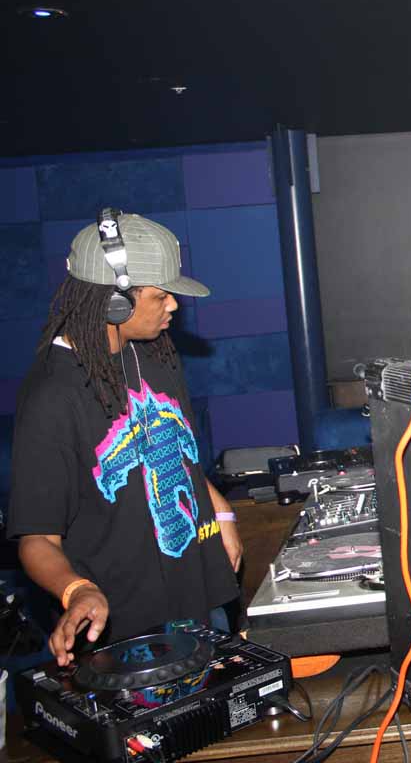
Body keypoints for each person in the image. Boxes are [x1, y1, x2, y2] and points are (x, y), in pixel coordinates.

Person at [7, 211, 243, 665]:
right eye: (161, 295)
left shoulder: (154, 354)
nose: (173, 306)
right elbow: (36, 539)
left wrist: (221, 512)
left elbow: (175, 450)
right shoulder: (52, 397)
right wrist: (76, 590)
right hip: (129, 631)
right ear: (115, 303)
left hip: (199, 596)